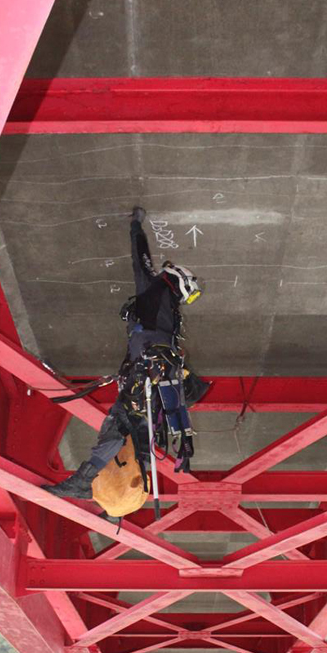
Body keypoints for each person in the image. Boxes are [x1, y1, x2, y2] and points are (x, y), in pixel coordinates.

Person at [43, 207, 206, 500]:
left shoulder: (156, 296)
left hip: (143, 379)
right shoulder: (163, 302)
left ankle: (95, 484)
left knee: (119, 430)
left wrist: (135, 227)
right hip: (152, 382)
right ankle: (115, 491)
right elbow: (141, 263)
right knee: (132, 436)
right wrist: (135, 227)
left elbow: (140, 262)